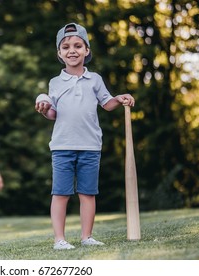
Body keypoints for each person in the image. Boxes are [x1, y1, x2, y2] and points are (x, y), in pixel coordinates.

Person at [35, 23, 135, 250]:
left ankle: (86, 236)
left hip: (90, 145)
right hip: (62, 146)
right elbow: (53, 113)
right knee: (60, 193)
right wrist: (44, 110)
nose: (72, 50)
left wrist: (119, 98)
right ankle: (59, 239)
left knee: (88, 193)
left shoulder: (95, 79)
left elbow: (107, 104)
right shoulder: (55, 82)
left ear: (86, 50)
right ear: (59, 53)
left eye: (78, 45)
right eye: (66, 46)